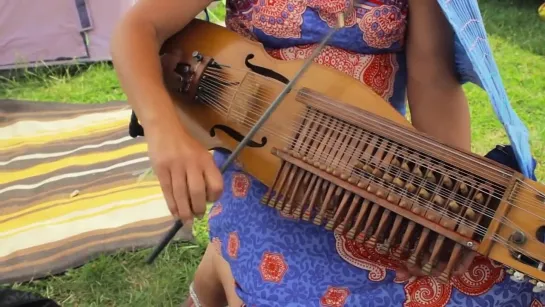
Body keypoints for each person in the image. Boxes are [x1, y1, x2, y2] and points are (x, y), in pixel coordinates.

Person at [110, 0, 543, 306]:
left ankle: (212, 279)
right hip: (264, 180)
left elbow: (432, 78)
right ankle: (219, 268)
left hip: (377, 176)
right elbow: (138, 29)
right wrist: (163, 130)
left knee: (485, 288)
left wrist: (447, 205)